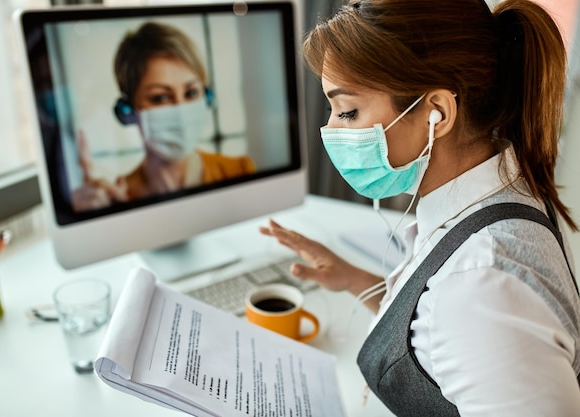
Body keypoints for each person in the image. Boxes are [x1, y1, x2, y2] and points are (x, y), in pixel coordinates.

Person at [260, 0, 580, 415]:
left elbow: (466, 317)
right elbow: (437, 339)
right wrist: (356, 280)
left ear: (437, 113)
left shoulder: (482, 288)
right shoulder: (504, 191)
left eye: (348, 111)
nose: (331, 130)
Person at [72, 22, 255, 212]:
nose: (181, 110)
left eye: (191, 93)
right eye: (160, 97)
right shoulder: (118, 198)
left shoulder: (239, 170)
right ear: (127, 111)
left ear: (207, 98)